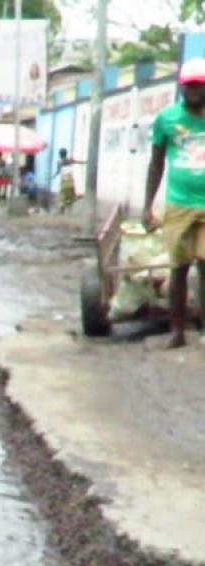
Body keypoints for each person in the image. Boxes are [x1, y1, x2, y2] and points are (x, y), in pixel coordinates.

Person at [144, 57, 205, 348]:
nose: (194, 91)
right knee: (179, 268)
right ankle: (177, 330)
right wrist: (147, 205)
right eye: (189, 86)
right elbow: (156, 164)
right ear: (181, 87)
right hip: (178, 204)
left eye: (199, 86)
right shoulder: (167, 119)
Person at [55, 147, 79, 212]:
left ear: (60, 154)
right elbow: (78, 162)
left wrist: (53, 176)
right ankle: (69, 212)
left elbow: (58, 172)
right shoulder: (70, 160)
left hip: (64, 182)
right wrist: (87, 162)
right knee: (70, 197)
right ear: (66, 154)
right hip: (71, 181)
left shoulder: (59, 162)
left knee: (62, 197)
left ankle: (61, 212)